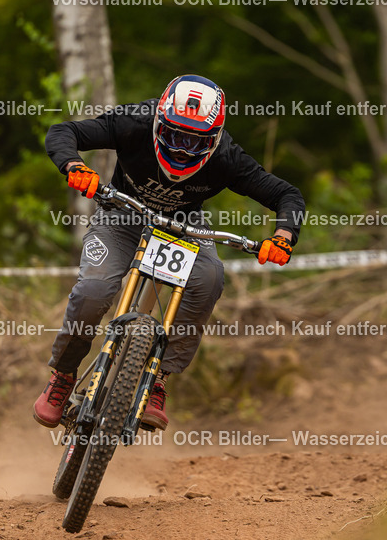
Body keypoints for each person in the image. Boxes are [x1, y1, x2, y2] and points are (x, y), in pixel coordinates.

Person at [33, 74, 305, 431]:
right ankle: (64, 376)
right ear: (160, 122)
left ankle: (158, 378)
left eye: (195, 141)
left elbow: (288, 196)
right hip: (121, 217)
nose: (182, 149)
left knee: (209, 278)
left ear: (215, 138)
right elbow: (64, 132)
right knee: (94, 289)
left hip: (181, 228)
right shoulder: (134, 123)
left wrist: (283, 236)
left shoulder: (226, 156)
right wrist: (74, 165)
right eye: (175, 135)